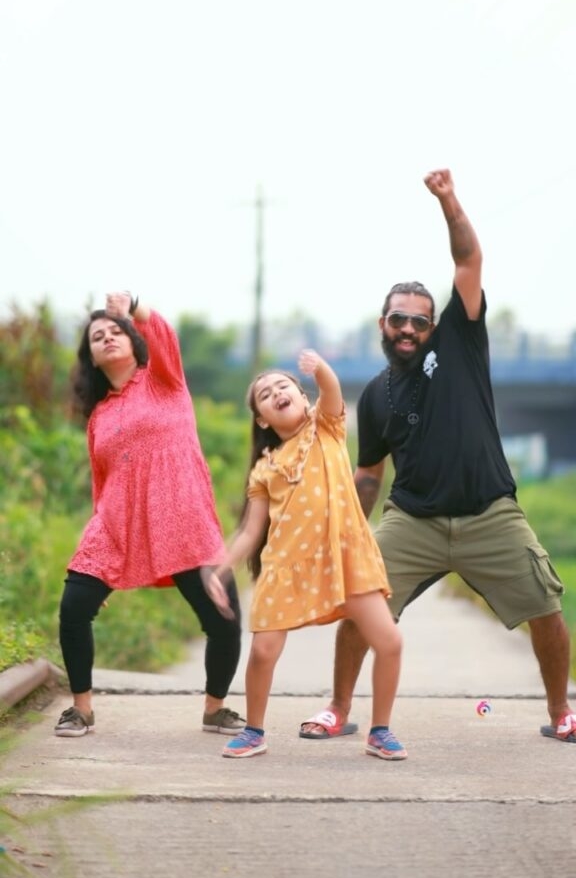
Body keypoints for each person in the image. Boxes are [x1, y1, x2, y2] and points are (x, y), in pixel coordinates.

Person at [300, 167, 576, 746]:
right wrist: (350, 524)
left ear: (434, 324)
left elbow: (468, 261)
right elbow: (370, 472)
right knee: (360, 603)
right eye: (397, 318)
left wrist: (449, 203)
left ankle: (562, 713)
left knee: (546, 607)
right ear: (382, 324)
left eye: (418, 320)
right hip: (414, 519)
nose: (407, 328)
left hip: (488, 512)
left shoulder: (460, 344)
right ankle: (337, 708)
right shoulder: (374, 395)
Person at [55, 291, 245, 738]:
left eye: (115, 331)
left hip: (183, 521)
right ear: (93, 359)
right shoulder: (98, 416)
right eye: (97, 337)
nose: (107, 338)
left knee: (224, 619)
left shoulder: (165, 380)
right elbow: (101, 483)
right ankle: (81, 709)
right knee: (73, 608)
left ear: (133, 340)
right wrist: (105, 558)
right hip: (116, 525)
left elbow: (163, 334)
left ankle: (215, 709)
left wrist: (133, 308)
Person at [204, 348, 407, 760]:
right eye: (266, 394)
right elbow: (251, 530)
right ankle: (254, 731)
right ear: (262, 418)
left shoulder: (326, 427)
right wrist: (218, 569)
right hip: (285, 568)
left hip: (346, 560)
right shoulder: (265, 469)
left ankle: (380, 731)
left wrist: (321, 369)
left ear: (301, 395)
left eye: (285, 386)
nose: (277, 393)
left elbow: (331, 390)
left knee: (389, 642)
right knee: (263, 652)